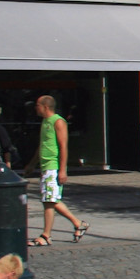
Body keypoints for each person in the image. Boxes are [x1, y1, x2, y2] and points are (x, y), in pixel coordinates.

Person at [30, 96, 87, 246]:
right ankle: (78, 223)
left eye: (37, 105)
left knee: (49, 201)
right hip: (45, 166)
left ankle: (46, 235)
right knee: (51, 199)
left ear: (45, 106)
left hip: (53, 167)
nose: (35, 108)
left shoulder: (58, 121)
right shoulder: (44, 122)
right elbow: (42, 145)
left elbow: (63, 146)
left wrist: (63, 170)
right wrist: (32, 164)